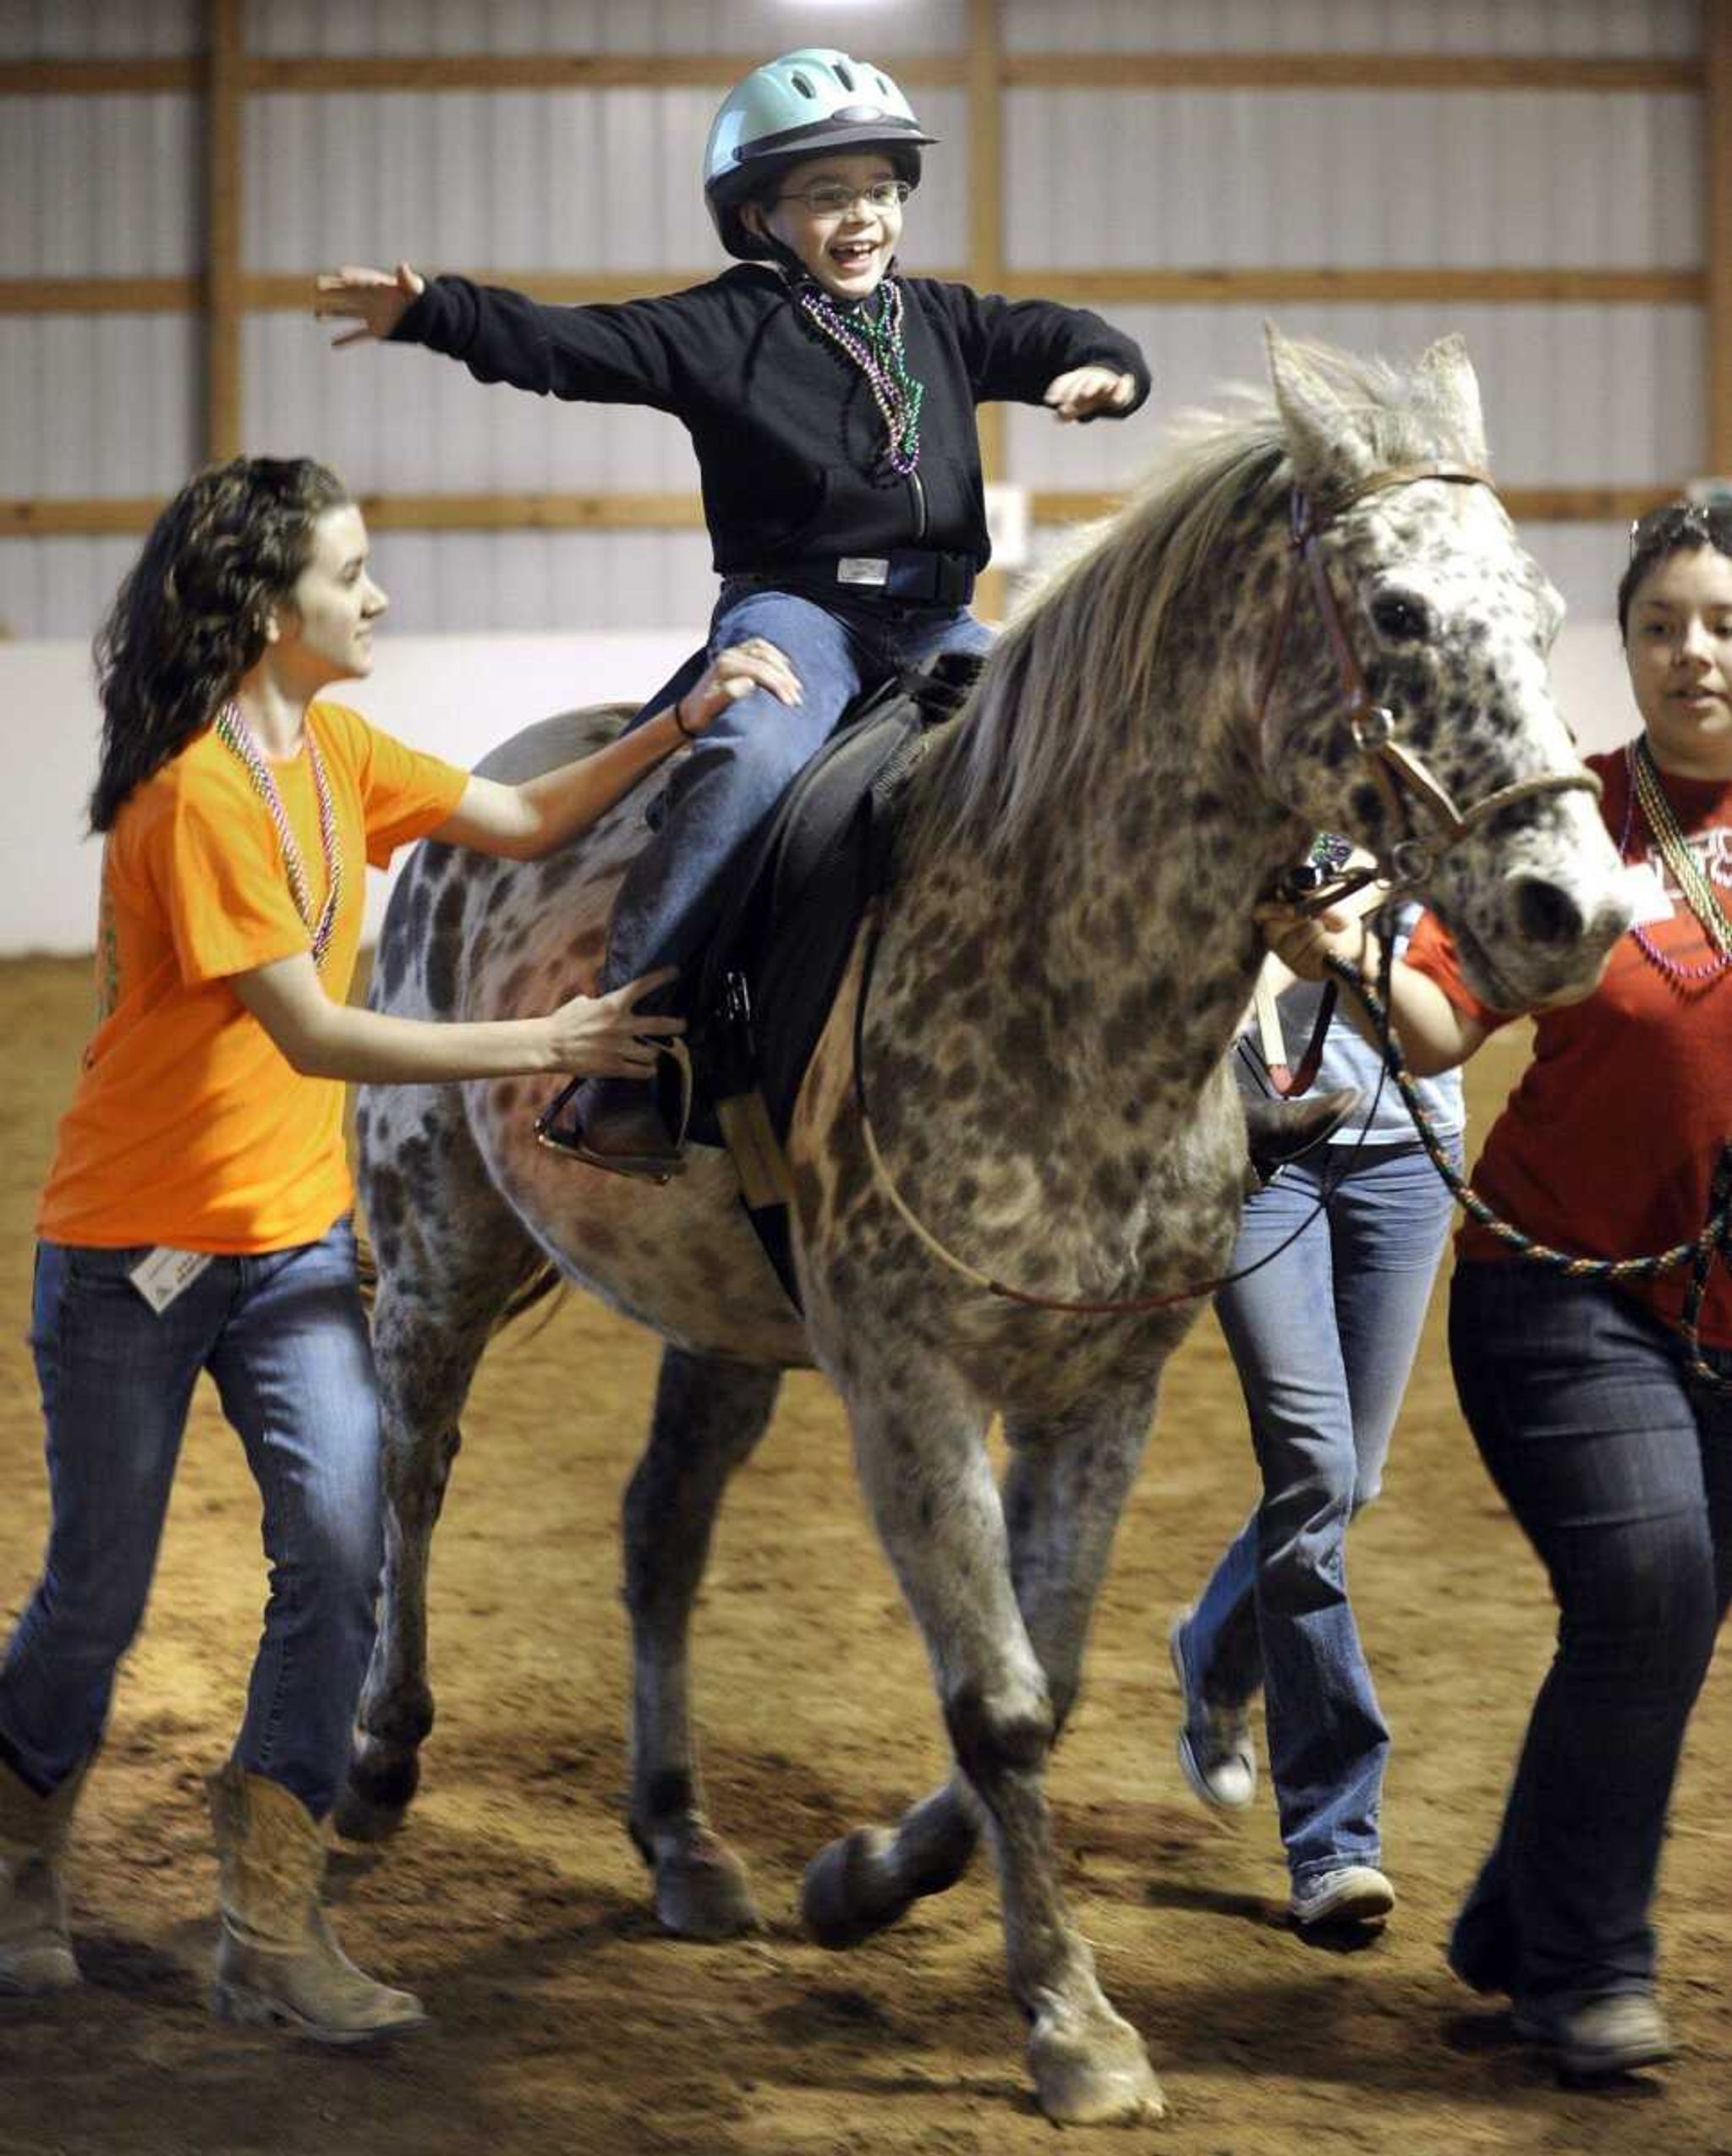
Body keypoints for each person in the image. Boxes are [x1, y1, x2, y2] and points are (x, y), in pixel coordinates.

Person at [0, 455, 795, 2042]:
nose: (378, 596)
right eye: (350, 575)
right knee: (98, 1590)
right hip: (132, 1255)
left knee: (343, 1562)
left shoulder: (336, 749)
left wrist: (685, 719)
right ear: (262, 608)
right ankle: (22, 1859)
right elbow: (310, 1032)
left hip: (289, 1250)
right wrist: (538, 1036)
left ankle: (270, 1928)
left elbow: (522, 812)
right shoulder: (194, 794)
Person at [313, 44, 1159, 1178]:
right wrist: (439, 314)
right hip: (797, 612)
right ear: (758, 214)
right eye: (827, 195)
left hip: (940, 620)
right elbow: (570, 349)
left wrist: (1109, 370)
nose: (862, 217)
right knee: (754, 754)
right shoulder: (719, 328)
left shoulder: (942, 319)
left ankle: (1171, 1054)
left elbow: (1066, 333)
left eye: (880, 190)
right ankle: (627, 1057)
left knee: (1087, 745)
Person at [1260, 500, 1732, 2077]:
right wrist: (1343, 951)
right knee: (1650, 1587)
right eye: (1661, 623)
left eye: (1719, 622)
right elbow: (1440, 1022)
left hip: (1720, 1312)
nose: (1691, 653)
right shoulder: (1572, 824)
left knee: (1657, 1624)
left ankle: (1516, 1920)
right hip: (1557, 1291)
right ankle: (1584, 1971)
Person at [1167, 880, 1465, 1934]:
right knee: (1315, 1473)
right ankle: (1333, 1840)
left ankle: (1212, 1650)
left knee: (1353, 1480)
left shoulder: (1445, 758)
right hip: (1257, 1149)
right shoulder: (1264, 743)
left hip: (1407, 1154)